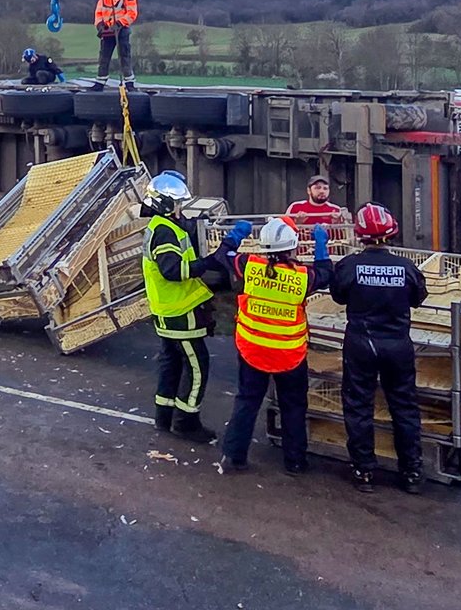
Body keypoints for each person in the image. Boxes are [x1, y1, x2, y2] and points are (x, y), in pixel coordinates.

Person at [141, 171, 248, 445]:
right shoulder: (165, 232)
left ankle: (164, 415)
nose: (181, 209)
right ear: (167, 204)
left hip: (166, 310)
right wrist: (211, 262)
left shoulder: (161, 225)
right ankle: (186, 423)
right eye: (178, 204)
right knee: (197, 366)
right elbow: (173, 271)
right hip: (181, 312)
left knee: (171, 363)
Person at [220, 217, 333, 475]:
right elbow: (326, 273)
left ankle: (234, 456)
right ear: (292, 247)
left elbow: (223, 255)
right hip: (288, 354)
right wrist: (320, 245)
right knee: (293, 406)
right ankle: (295, 462)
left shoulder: (249, 266)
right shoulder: (302, 277)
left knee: (247, 401)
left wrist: (236, 235)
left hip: (252, 349)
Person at [330, 203, 429, 494]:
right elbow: (418, 297)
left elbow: (338, 296)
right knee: (404, 406)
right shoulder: (406, 267)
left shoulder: (349, 266)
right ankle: (411, 472)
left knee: (358, 405)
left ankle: (363, 471)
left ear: (360, 235)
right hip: (397, 344)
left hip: (361, 344)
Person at [90, 0, 138, 91]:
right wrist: (99, 25)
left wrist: (119, 23)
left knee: (124, 56)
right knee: (104, 57)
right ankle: (100, 82)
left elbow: (132, 13)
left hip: (122, 29)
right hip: (107, 30)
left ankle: (129, 83)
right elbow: (98, 12)